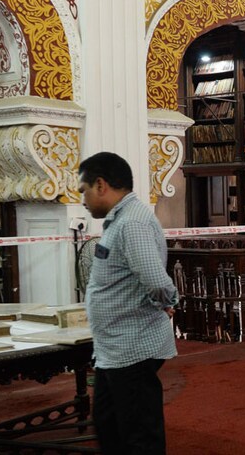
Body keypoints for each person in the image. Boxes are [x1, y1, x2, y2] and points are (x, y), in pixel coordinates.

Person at [79, 152, 177, 455]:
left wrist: (168, 301)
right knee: (110, 425)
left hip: (133, 346)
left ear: (100, 185)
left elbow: (156, 280)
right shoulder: (122, 219)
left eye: (82, 190)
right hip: (116, 348)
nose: (82, 199)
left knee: (138, 436)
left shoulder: (132, 222)